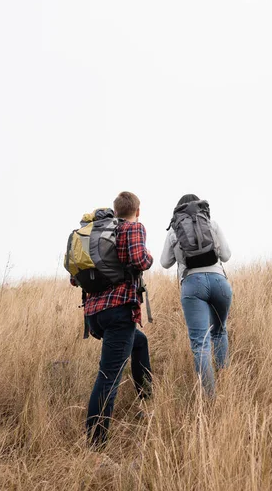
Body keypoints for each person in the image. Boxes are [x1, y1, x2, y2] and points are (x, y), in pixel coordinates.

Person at [84, 191, 153, 446]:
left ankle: (147, 397)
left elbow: (74, 278)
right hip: (119, 311)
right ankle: (96, 444)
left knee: (140, 342)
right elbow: (139, 260)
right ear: (137, 210)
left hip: (95, 314)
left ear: (115, 210)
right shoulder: (132, 228)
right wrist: (150, 258)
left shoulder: (98, 233)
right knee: (108, 377)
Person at [160, 194, 232, 395]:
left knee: (201, 343)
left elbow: (165, 263)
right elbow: (226, 256)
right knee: (219, 331)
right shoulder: (211, 223)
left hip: (193, 284)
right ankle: (225, 381)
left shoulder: (175, 230)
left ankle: (210, 399)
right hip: (220, 282)